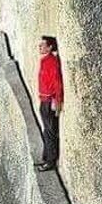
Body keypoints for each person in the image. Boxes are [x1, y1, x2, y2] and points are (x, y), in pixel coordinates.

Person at [34, 35, 64, 171]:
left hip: (48, 102)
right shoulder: (45, 60)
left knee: (50, 131)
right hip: (44, 100)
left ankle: (50, 162)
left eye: (42, 45)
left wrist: (57, 101)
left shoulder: (51, 61)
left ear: (50, 47)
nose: (39, 47)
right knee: (46, 130)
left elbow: (57, 82)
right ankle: (46, 158)